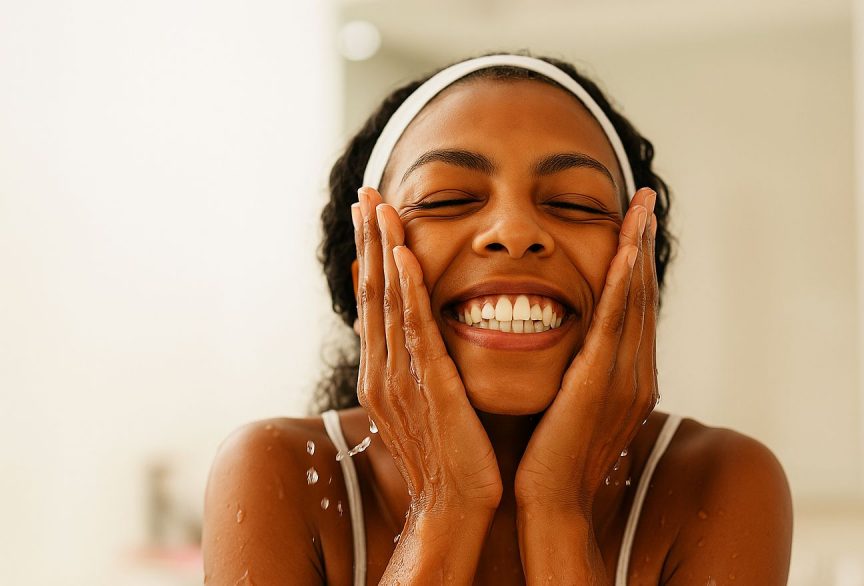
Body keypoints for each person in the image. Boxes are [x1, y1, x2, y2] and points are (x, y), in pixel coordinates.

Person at [202, 53, 793, 585]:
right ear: (366, 284)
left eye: (574, 203)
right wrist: (446, 502)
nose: (514, 232)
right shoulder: (276, 473)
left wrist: (559, 506)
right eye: (446, 200)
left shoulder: (723, 482)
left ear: (637, 272)